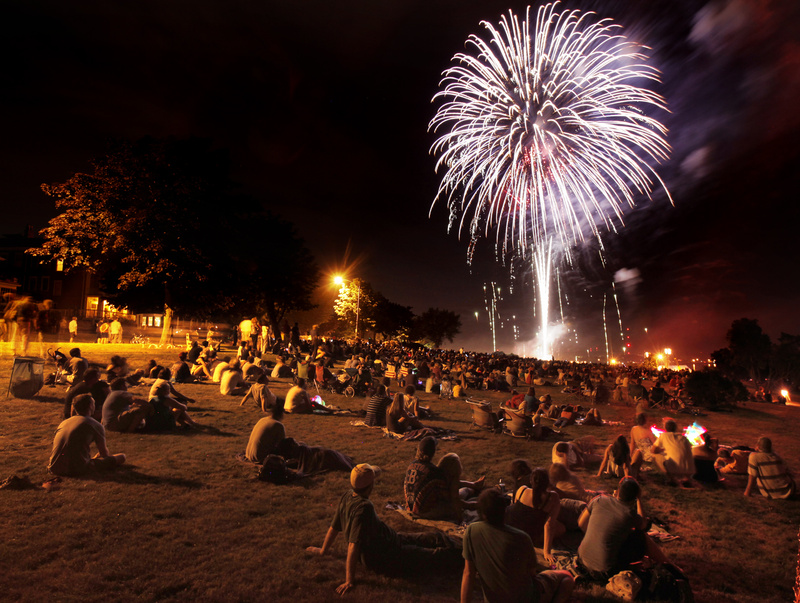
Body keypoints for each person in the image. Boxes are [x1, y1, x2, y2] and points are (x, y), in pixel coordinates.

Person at [306, 463, 462, 595]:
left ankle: (460, 547)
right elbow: (353, 545)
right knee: (432, 556)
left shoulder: (347, 496)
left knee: (432, 537)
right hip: (388, 556)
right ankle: (466, 557)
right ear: (370, 486)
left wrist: (323, 550)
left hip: (391, 540)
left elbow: (334, 527)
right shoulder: (364, 508)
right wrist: (349, 580)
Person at [461, 488, 574, 603]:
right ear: (505, 511)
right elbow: (532, 573)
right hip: (528, 598)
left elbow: (468, 574)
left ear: (482, 512)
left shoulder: (471, 531)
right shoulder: (521, 537)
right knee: (566, 576)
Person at [577, 477, 667, 580]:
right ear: (634, 497)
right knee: (639, 536)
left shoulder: (599, 499)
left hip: (581, 562)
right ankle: (666, 563)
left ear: (618, 490)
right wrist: (639, 500)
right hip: (605, 572)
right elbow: (643, 524)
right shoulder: (629, 515)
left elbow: (581, 523)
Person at [48, 393, 126, 476]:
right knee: (122, 457)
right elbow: (104, 454)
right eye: (94, 404)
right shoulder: (94, 424)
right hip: (77, 469)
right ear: (90, 406)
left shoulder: (64, 423)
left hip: (54, 468)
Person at [504, 461, 565, 565]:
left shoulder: (522, 489)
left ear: (531, 481)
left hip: (511, 529)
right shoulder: (552, 497)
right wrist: (547, 552)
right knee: (562, 528)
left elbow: (515, 510)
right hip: (529, 536)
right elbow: (549, 525)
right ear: (547, 482)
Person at [403, 437, 452, 519]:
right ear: (433, 452)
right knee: (452, 506)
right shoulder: (434, 471)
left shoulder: (411, 465)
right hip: (424, 513)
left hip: (409, 507)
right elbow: (447, 496)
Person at [651, 419, 694, 486]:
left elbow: (653, 450)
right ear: (675, 428)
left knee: (655, 456)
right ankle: (685, 478)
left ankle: (671, 478)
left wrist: (662, 450)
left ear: (665, 428)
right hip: (689, 470)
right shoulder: (683, 437)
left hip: (675, 468)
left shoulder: (664, 435)